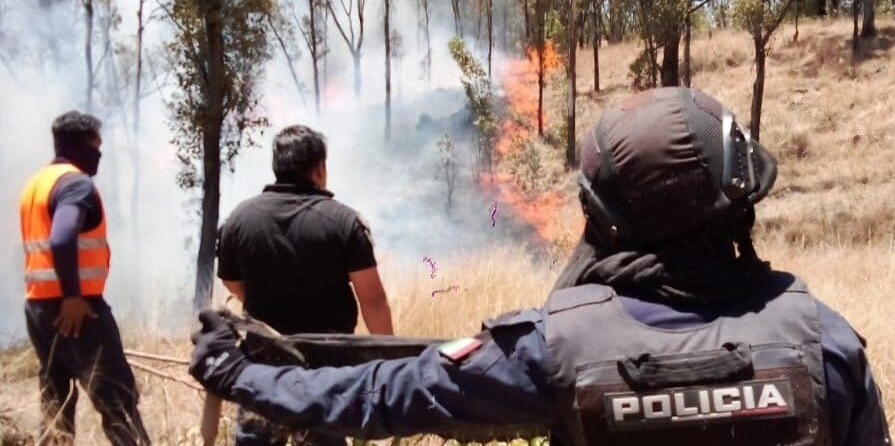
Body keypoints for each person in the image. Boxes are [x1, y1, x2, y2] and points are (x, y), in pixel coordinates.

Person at [191, 88, 891, 446]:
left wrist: (238, 374)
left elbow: (375, 399)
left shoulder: (555, 347)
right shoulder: (823, 344)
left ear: (605, 216)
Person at [216, 124, 394, 445]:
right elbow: (373, 301)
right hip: (327, 373)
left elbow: (230, 280)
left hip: (262, 366)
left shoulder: (239, 219)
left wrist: (260, 299)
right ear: (320, 168)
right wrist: (391, 363)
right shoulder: (343, 221)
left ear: (277, 166)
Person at [20, 111, 150, 445]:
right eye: (97, 147)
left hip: (38, 308)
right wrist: (73, 297)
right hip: (78, 311)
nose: (100, 156)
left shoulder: (36, 184)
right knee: (118, 399)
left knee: (56, 401)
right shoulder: (76, 185)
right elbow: (62, 238)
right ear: (81, 147)